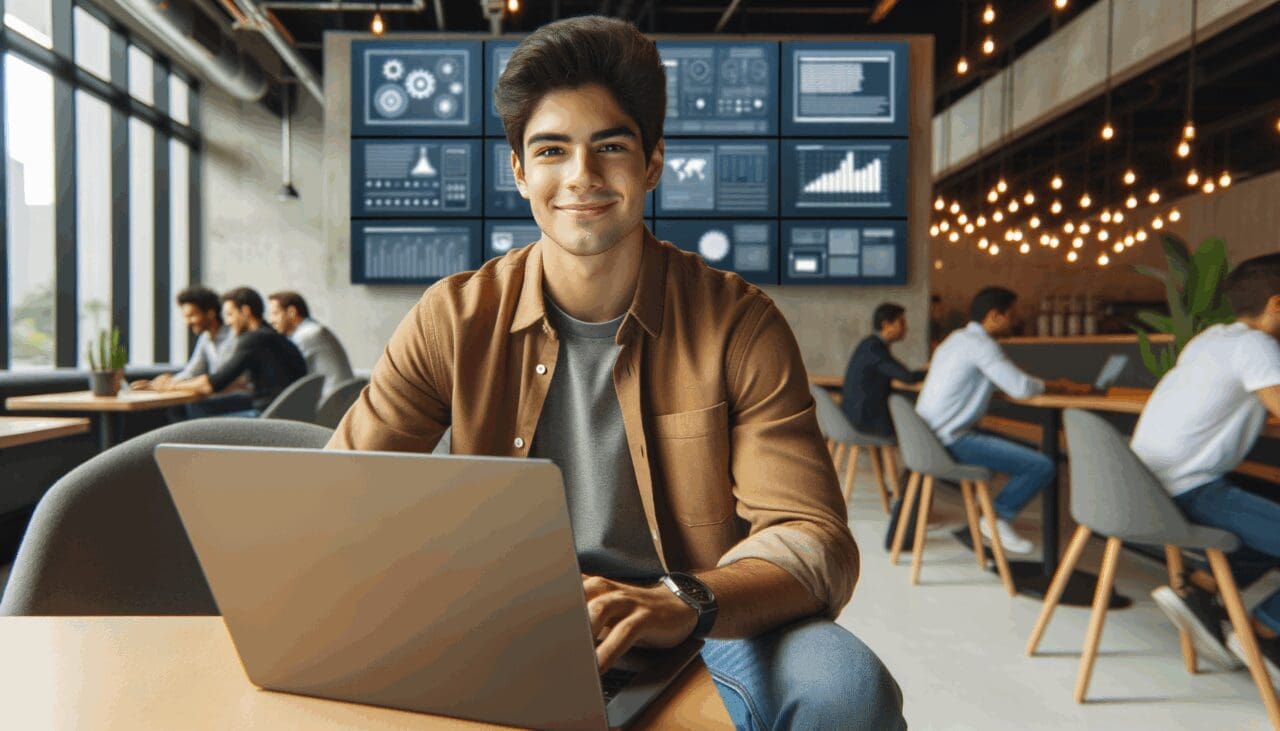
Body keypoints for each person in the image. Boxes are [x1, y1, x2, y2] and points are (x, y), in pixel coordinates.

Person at [327, 17, 903, 729]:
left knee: (848, 688)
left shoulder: (739, 324)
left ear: (652, 163)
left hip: (700, 627)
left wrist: (683, 600)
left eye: (610, 146)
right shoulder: (453, 317)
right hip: (504, 618)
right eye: (551, 150)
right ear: (519, 171)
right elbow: (338, 500)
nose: (582, 176)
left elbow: (814, 538)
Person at [1133, 253, 1280, 677]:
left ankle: (1199, 592)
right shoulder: (1257, 346)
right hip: (1190, 489)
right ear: (1277, 304)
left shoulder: (1209, 339)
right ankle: (1263, 634)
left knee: (1263, 519)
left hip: (1146, 486)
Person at [914, 286, 1089, 555]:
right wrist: (1056, 386)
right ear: (995, 316)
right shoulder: (982, 346)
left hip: (928, 438)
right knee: (1040, 465)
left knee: (1018, 449)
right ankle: (996, 517)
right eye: (1012, 315)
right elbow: (1020, 387)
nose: (1016, 321)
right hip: (951, 440)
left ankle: (985, 516)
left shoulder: (955, 339)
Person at [152, 287, 307, 417]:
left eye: (230, 315)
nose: (227, 321)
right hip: (287, 412)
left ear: (245, 311)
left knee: (200, 418)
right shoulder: (271, 336)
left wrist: (170, 386)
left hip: (269, 416)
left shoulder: (254, 340)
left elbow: (213, 384)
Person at [132, 286, 254, 417]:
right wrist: (156, 385)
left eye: (191, 316)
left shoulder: (235, 336)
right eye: (185, 317)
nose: (187, 322)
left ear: (210, 313)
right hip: (216, 393)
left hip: (243, 396)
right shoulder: (205, 338)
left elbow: (222, 380)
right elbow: (192, 371)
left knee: (195, 406)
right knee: (175, 405)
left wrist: (171, 385)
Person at [842, 302, 926, 439]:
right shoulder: (875, 349)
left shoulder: (868, 344)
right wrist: (932, 370)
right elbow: (908, 377)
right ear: (886, 325)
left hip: (852, 418)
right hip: (866, 423)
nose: (906, 328)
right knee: (918, 427)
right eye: (901, 322)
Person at [267, 291, 355, 401]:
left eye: (275, 314)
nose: (271, 320)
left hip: (330, 403)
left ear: (291, 312)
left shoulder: (306, 335)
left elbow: (284, 373)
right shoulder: (315, 330)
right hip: (340, 399)